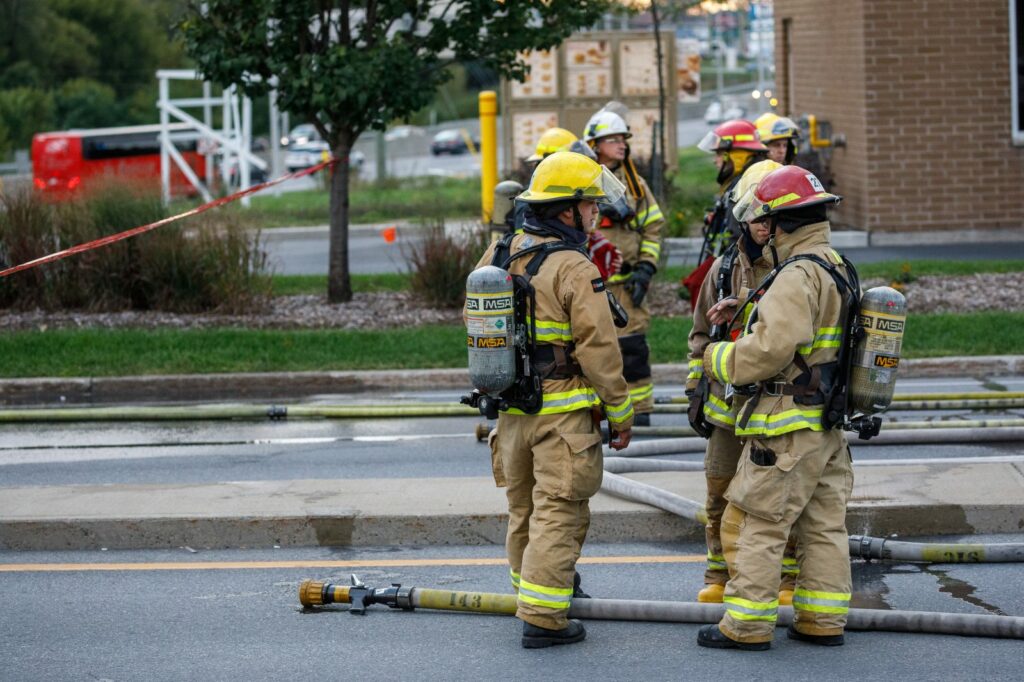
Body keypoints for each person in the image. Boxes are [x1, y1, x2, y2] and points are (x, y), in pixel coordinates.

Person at [472, 151, 635, 649]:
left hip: (512, 414)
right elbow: (599, 348)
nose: (596, 213)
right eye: (589, 205)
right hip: (561, 418)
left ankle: (532, 594)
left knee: (523, 510)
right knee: (559, 513)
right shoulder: (573, 266)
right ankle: (544, 617)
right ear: (566, 210)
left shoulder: (500, 252)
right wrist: (620, 411)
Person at [695, 165, 854, 651]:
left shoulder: (795, 274)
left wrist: (716, 357)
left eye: (768, 220)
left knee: (756, 523)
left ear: (782, 222)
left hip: (785, 427)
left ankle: (745, 626)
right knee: (823, 527)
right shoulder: (835, 265)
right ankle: (822, 621)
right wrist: (748, 302)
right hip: (825, 427)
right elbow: (811, 321)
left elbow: (771, 349)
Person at [685, 159, 801, 605]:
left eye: (770, 215)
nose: (762, 224)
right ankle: (719, 574)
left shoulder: (797, 269)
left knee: (778, 499)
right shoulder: (722, 270)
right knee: (719, 495)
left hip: (778, 407)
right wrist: (696, 392)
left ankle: (787, 580)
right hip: (726, 411)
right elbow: (699, 337)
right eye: (755, 214)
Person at [582, 108, 664, 426]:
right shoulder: (581, 183)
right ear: (594, 145)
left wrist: (646, 269)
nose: (622, 144)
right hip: (592, 286)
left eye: (623, 139)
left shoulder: (636, 185)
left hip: (628, 286)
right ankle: (599, 412)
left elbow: (653, 227)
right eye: (613, 139)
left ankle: (639, 413)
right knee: (595, 351)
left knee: (633, 350)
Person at [681, 119, 768, 302]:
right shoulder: (742, 182)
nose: (715, 160)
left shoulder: (744, 186)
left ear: (737, 156)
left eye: (720, 154)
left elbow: (738, 237)